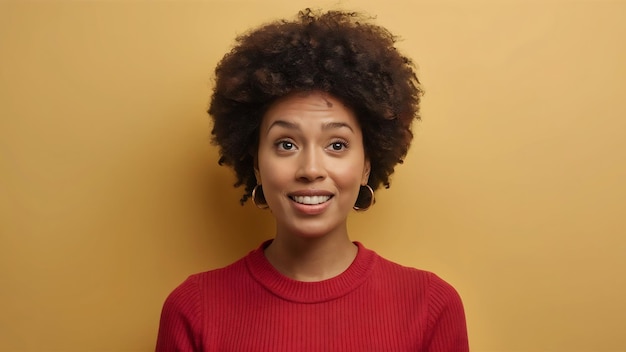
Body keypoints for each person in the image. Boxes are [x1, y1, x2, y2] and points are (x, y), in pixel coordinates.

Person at [156, 8, 469, 351]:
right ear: (256, 163)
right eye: (286, 144)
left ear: (367, 163)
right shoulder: (193, 309)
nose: (310, 168)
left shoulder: (431, 306)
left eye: (336, 144)